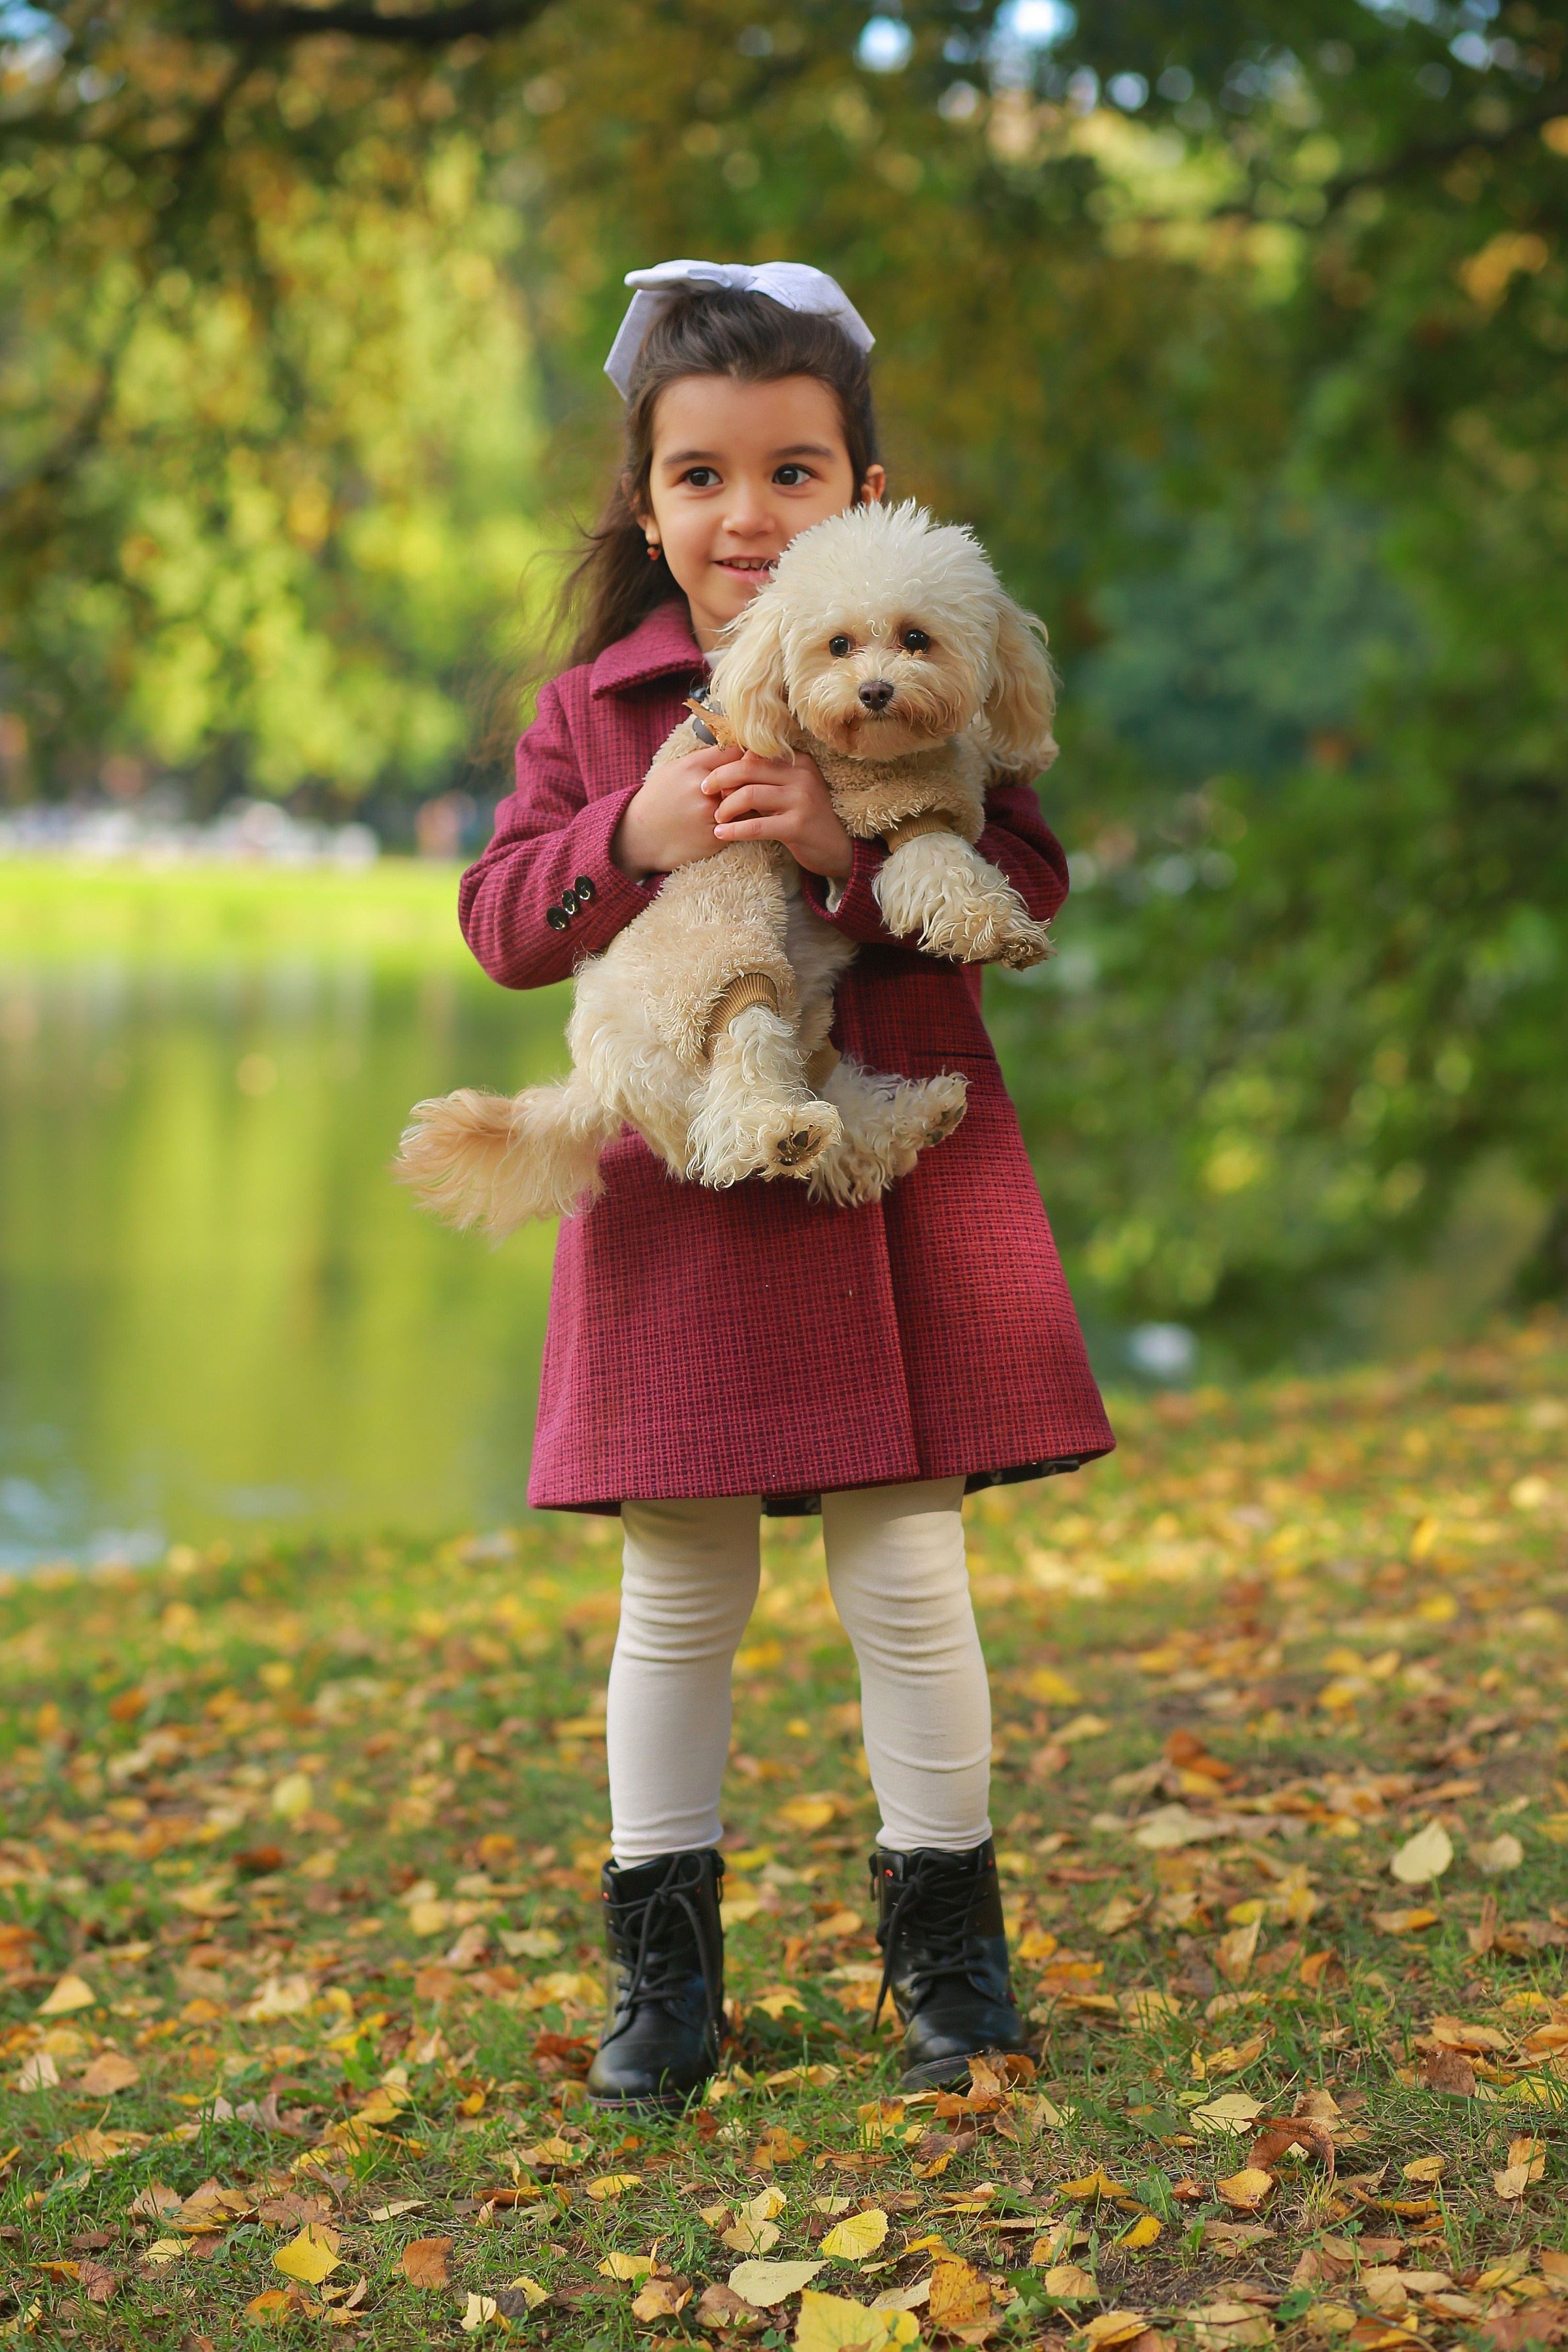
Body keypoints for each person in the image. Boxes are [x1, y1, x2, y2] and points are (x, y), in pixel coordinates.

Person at [458, 259, 1115, 2106]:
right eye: (700, 476)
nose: (746, 514)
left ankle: (950, 1959)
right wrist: (635, 830)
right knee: (681, 1594)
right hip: (683, 1202)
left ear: (865, 488)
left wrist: (839, 850)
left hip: (891, 1178)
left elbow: (1029, 885)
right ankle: (663, 1979)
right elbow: (504, 921)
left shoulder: (936, 666)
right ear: (646, 501)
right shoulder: (600, 707)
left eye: (795, 471)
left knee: (906, 1572)